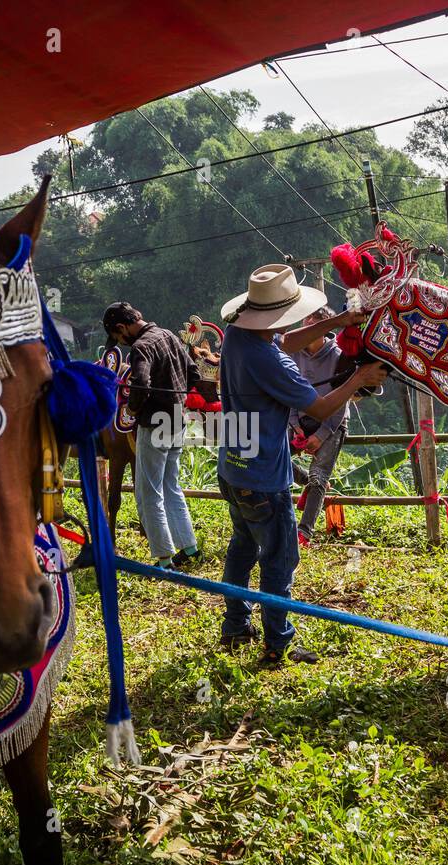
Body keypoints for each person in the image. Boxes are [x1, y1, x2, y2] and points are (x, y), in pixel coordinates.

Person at [216, 264, 388, 666]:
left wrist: (342, 320)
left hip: (233, 466)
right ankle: (279, 642)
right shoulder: (270, 362)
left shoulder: (238, 336)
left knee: (242, 548)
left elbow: (287, 339)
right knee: (279, 558)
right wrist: (358, 378)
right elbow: (319, 405)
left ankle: (236, 625)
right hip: (263, 477)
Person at [104, 301, 201, 569]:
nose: (120, 342)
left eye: (117, 337)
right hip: (177, 421)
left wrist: (133, 410)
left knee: (148, 492)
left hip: (154, 423)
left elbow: (142, 384)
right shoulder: (169, 335)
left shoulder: (141, 347)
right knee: (172, 486)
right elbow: (193, 373)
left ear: (122, 327)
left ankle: (163, 558)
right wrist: (175, 396)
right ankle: (190, 548)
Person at [288, 306, 352, 547]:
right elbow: (290, 390)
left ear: (323, 328)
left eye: (311, 326)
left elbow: (343, 400)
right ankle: (306, 483)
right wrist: (296, 426)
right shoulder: (293, 353)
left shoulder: (339, 356)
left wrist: (322, 434)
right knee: (272, 454)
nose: (305, 331)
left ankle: (303, 533)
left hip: (333, 423)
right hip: (299, 418)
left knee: (318, 477)